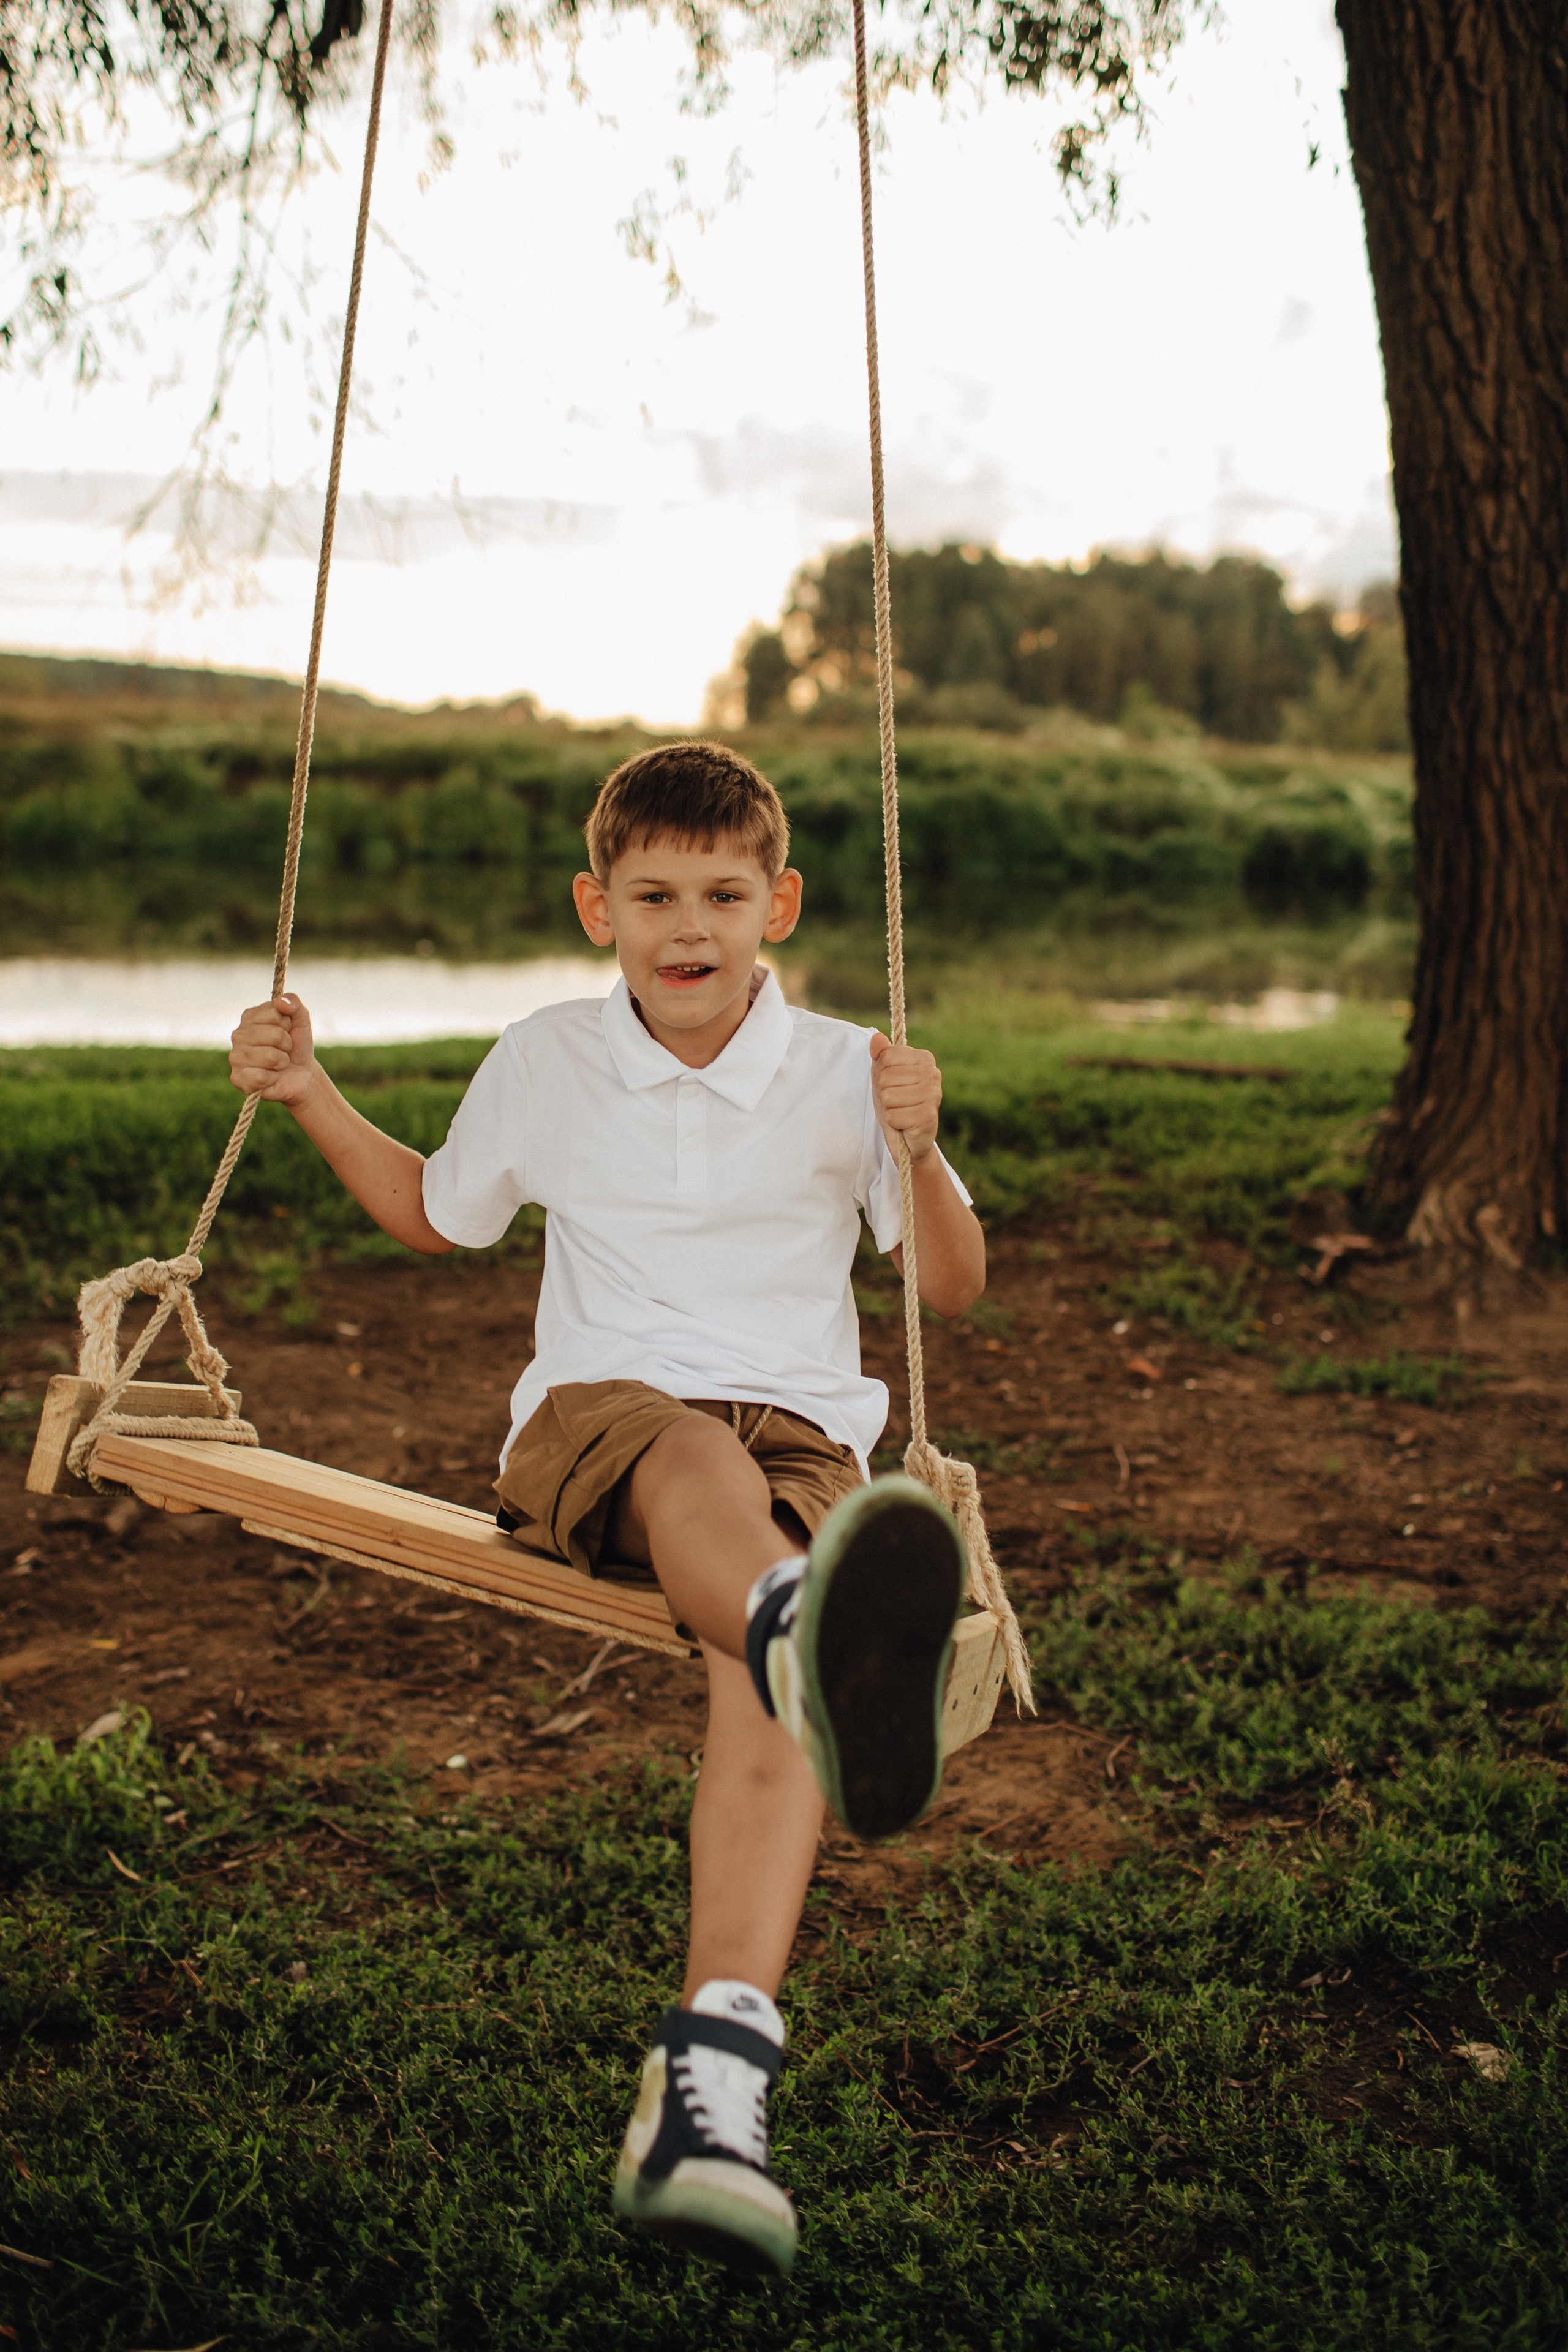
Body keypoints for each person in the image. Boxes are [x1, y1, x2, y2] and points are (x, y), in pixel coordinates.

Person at [227, 741, 986, 2277]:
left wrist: (919, 1144)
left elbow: (950, 1288)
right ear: (598, 907)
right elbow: (435, 1213)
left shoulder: (847, 1068)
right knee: (700, 1477)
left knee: (766, 1674)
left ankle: (709, 2102)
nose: (686, 922)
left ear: (778, 902)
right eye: (652, 894)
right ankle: (800, 1627)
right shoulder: (547, 1060)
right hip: (602, 1428)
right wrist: (305, 1088)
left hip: (802, 1443)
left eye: (720, 891)